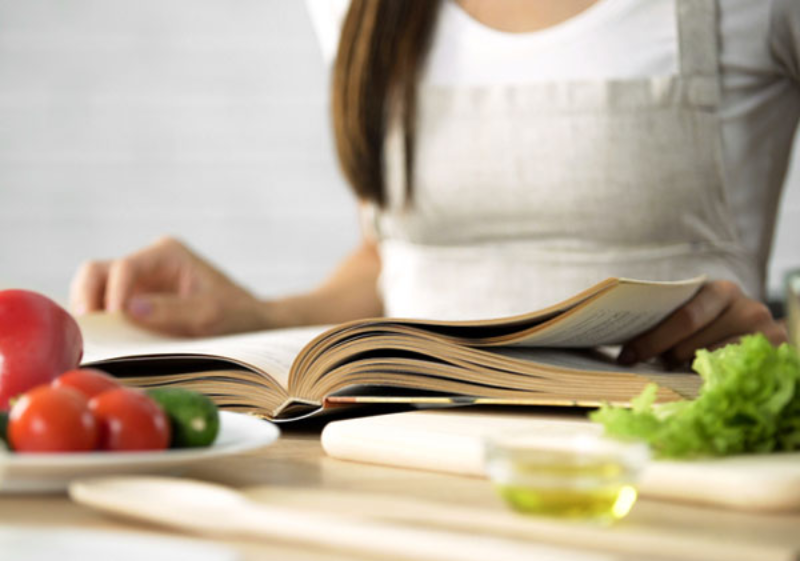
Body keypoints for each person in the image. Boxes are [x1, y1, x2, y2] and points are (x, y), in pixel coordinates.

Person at [70, 0, 798, 367]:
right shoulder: (355, 9)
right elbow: (398, 262)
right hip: (402, 463)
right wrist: (256, 314)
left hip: (667, 473)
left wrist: (782, 346)